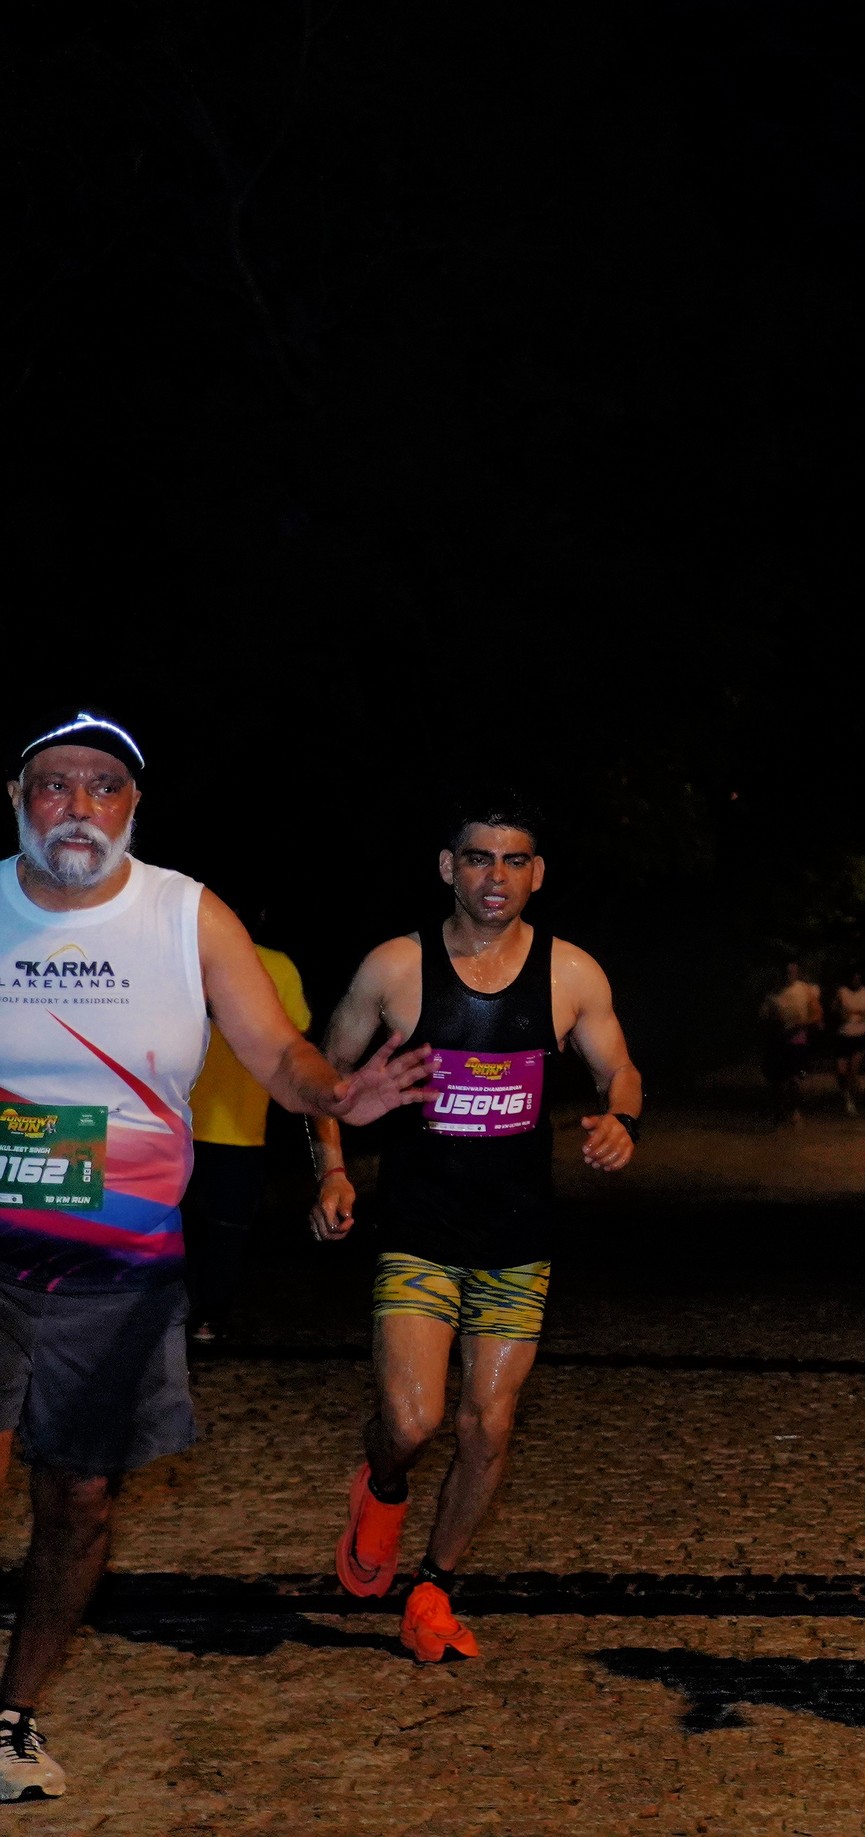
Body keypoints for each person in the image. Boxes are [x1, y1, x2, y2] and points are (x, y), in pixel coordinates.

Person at [0, 711, 429, 1802]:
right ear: (17, 799)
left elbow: (277, 1050)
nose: (79, 806)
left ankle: (13, 1715)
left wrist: (338, 1094)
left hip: (117, 1263)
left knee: (80, 1496)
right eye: (55, 784)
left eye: (104, 785)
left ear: (133, 806)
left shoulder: (186, 914)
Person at [312, 802, 641, 1666]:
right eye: (479, 858)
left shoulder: (571, 973)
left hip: (517, 1238)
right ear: (447, 867)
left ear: (539, 873)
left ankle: (433, 1587)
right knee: (412, 1420)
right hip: (418, 1229)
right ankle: (383, 1482)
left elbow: (619, 1067)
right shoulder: (395, 966)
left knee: (487, 1425)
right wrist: (332, 1168)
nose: (497, 876)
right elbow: (324, 1072)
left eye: (515, 860)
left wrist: (622, 1118)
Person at [181, 900, 314, 1341]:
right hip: (228, 1129)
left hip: (189, 1126)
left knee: (184, 1228)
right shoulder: (276, 966)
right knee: (225, 1230)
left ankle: (189, 1315)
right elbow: (297, 1039)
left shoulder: (185, 957)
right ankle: (206, 1316)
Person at [760, 962, 819, 1127]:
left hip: (798, 1036)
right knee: (778, 1079)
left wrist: (805, 1023)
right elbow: (764, 1016)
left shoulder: (805, 989)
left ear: (797, 973)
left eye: (793, 972)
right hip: (778, 1037)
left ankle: (795, 1110)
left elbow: (816, 1013)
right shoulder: (773, 994)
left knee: (795, 1076)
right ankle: (779, 1110)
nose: (790, 975)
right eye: (787, 972)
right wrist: (772, 1020)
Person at [829, 967, 865, 1118]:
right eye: (853, 978)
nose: (856, 981)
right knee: (841, 1072)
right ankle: (845, 1095)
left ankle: (851, 1101)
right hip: (843, 1035)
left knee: (853, 1071)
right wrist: (840, 1012)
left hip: (859, 1035)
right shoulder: (842, 992)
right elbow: (833, 1010)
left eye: (858, 978)